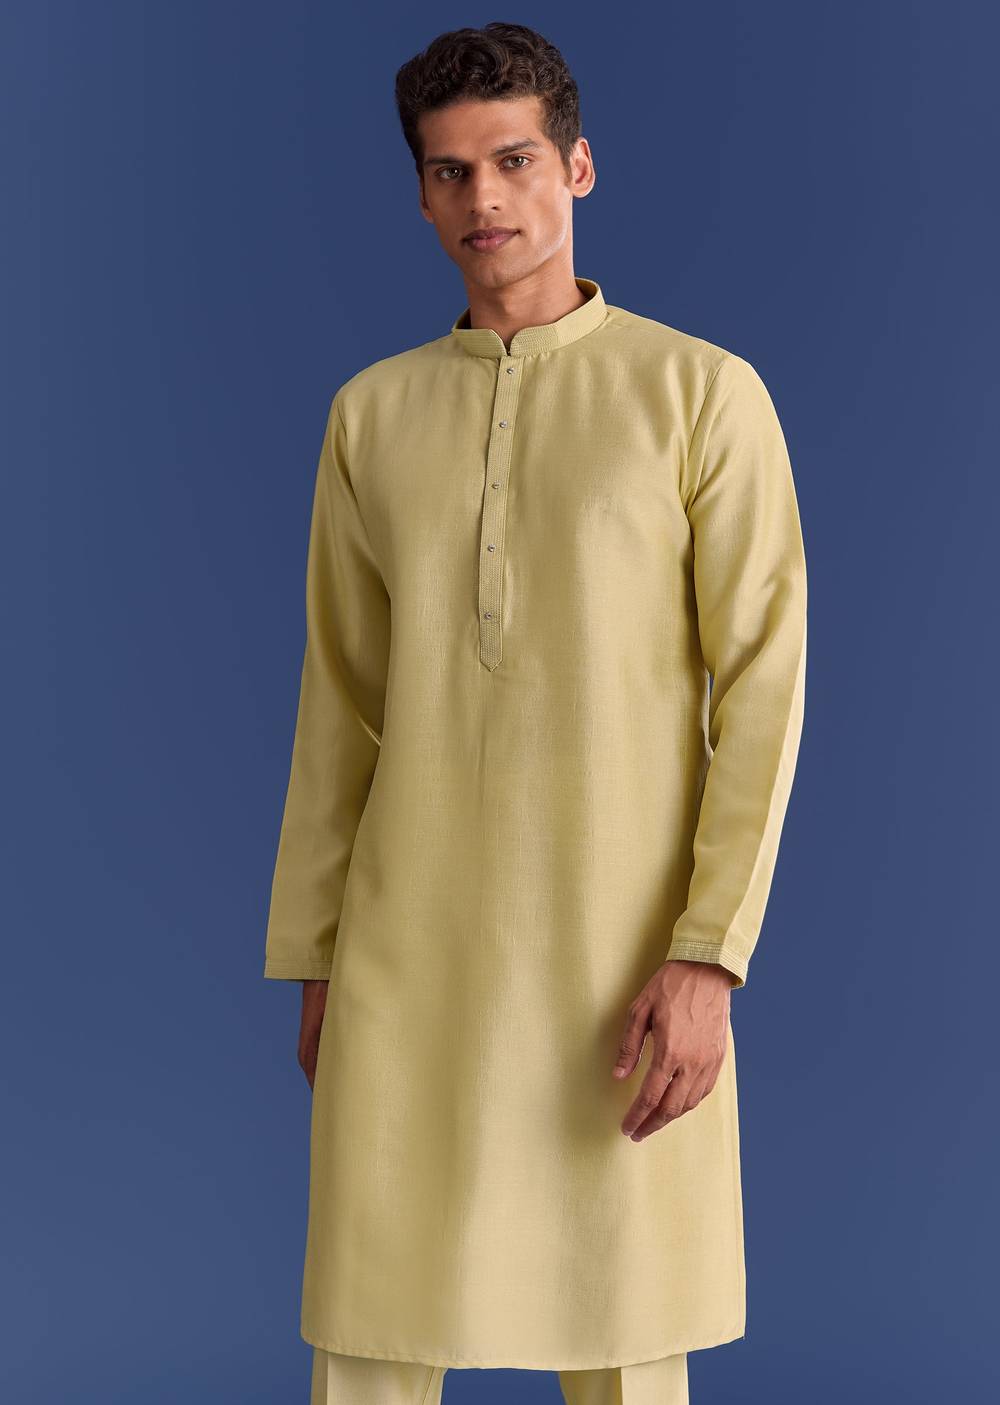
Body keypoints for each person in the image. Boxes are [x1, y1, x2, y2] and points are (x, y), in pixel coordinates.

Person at [263, 21, 807, 1405]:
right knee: (372, 1328)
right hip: (406, 960)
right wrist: (317, 954)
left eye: (513, 161)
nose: (484, 200)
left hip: (617, 961)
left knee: (623, 1326)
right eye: (450, 172)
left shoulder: (699, 395)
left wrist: (711, 955)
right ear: (421, 194)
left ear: (578, 166)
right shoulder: (371, 417)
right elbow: (342, 705)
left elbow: (763, 691)